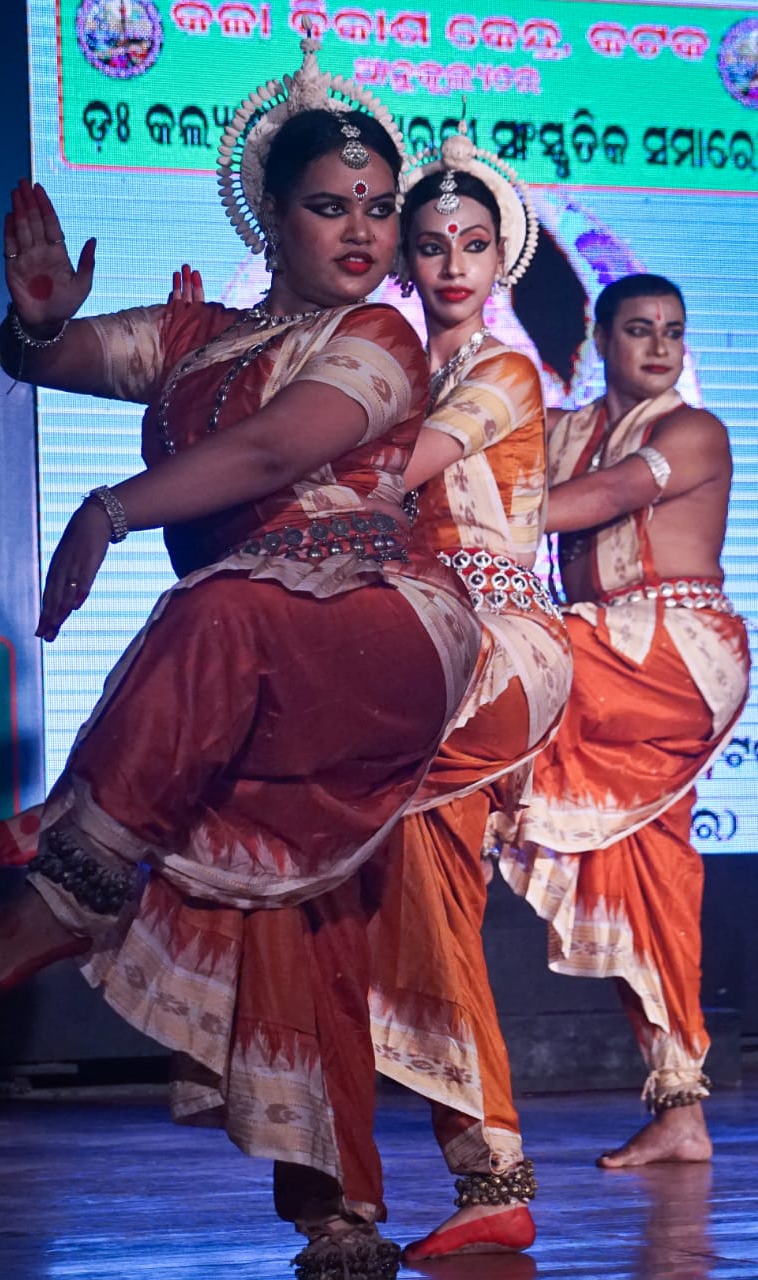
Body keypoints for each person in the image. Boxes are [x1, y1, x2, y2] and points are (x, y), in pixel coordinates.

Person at [0, 35, 484, 1279]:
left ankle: (69, 887)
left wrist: (112, 508)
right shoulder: (198, 337)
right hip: (250, 658)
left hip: (373, 623)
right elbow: (62, 359)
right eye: (330, 206)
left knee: (220, 608)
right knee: (285, 906)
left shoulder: (380, 336)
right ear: (270, 218)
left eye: (378, 208)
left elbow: (276, 453)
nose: (362, 231)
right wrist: (37, 326)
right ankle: (337, 1210)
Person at [363, 127, 573, 1259]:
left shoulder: (499, 371)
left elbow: (388, 474)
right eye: (433, 243)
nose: (452, 262)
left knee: (354, 838)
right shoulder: (396, 367)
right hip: (420, 645)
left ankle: (484, 1171)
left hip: (488, 649)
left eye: (473, 243)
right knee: (414, 893)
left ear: (501, 259)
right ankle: (481, 1176)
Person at [499, 273, 750, 1169]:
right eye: (639, 329)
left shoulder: (693, 430)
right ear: (599, 339)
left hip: (675, 652)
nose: (659, 346)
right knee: (642, 877)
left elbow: (604, 499)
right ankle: (680, 1107)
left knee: (497, 660)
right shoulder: (561, 430)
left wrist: (474, 520)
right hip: (602, 653)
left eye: (672, 331)